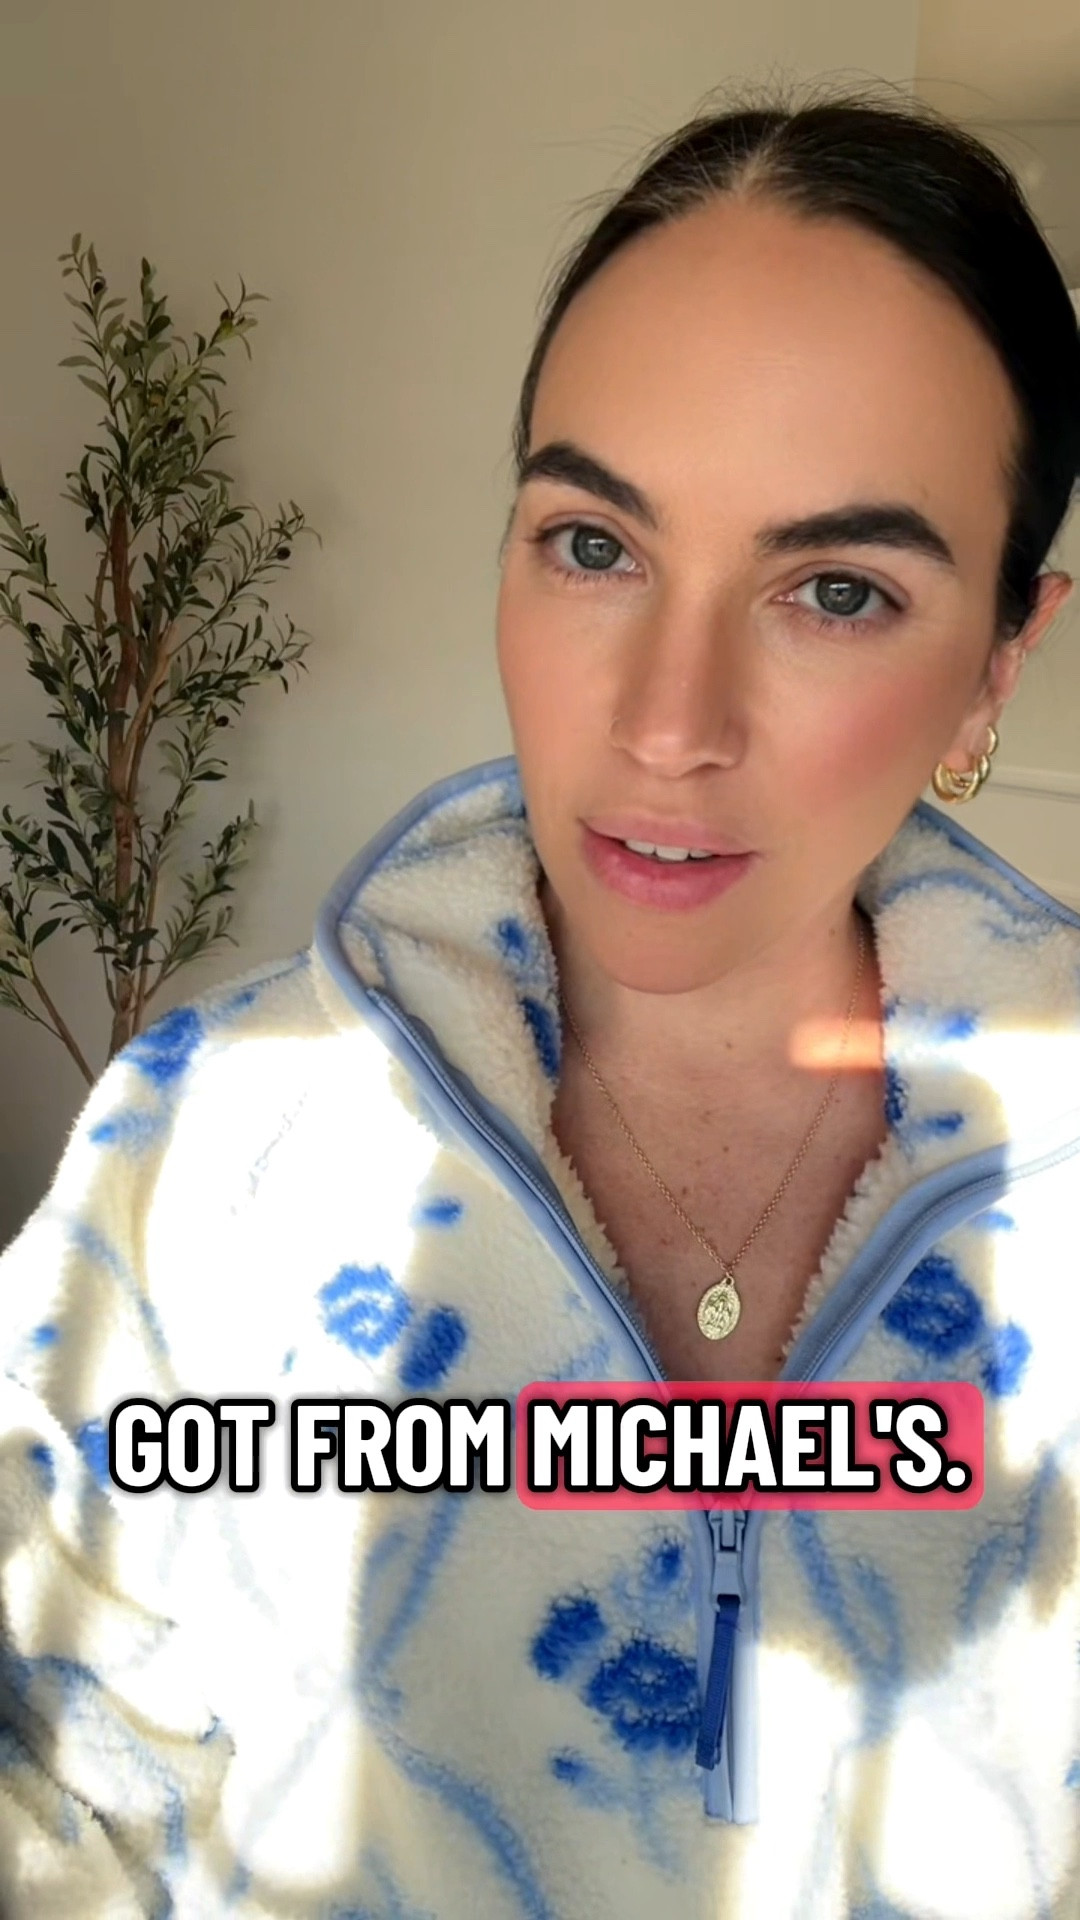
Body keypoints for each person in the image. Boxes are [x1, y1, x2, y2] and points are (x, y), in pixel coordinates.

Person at [2, 86, 1080, 1920]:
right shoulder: (205, 1139)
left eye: (834, 590)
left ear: (996, 665)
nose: (666, 722)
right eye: (596, 545)